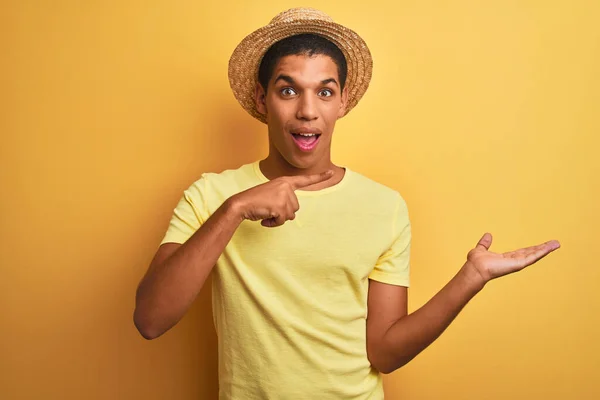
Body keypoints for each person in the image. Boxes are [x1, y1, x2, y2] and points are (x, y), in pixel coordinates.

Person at [133, 7, 560, 399]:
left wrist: (470, 278)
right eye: (288, 91)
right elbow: (151, 319)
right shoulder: (212, 195)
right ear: (263, 100)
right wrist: (235, 210)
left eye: (323, 92)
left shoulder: (384, 206)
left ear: (342, 101)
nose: (306, 111)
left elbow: (385, 353)